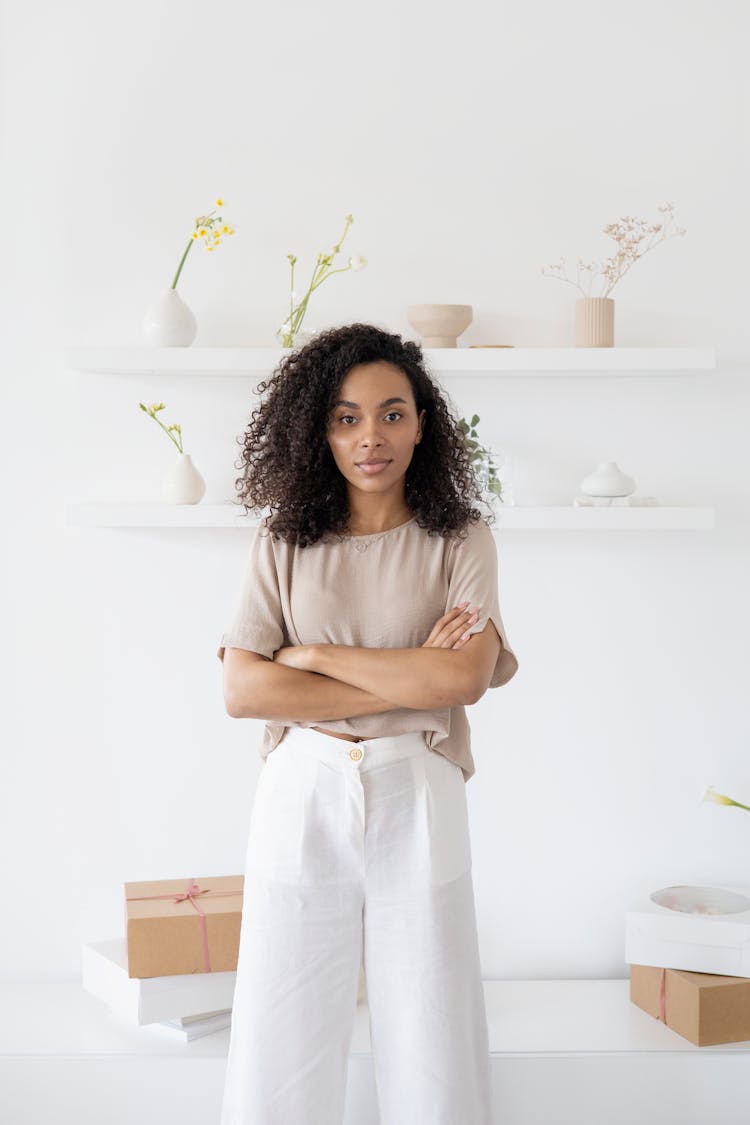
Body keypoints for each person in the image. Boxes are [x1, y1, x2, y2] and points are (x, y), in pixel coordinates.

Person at [217, 322, 519, 1125]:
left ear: (423, 421)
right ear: (319, 429)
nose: (370, 436)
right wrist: (405, 673)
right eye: (346, 417)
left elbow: (461, 676)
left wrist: (311, 653)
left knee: (433, 1025)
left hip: (417, 787)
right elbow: (244, 691)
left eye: (391, 413)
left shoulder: (460, 537)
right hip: (301, 788)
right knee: (281, 1026)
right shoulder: (283, 535)